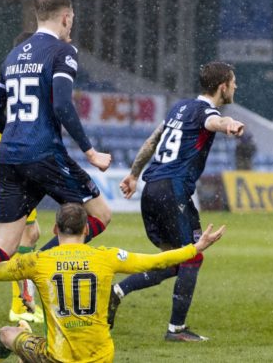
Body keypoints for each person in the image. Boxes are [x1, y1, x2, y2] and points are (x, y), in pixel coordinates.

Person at [0, 0, 112, 339]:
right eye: (72, 20)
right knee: (100, 216)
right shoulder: (64, 51)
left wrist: (17, 135)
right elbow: (62, 104)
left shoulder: (14, 54)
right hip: (45, 152)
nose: (71, 26)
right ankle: (42, 265)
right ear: (65, 17)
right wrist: (91, 152)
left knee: (4, 243)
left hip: (10, 156)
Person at [0, 203, 227, 362]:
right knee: (27, 332)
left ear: (55, 228)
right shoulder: (107, 257)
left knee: (9, 333)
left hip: (58, 358)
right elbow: (155, 260)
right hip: (101, 358)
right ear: (85, 230)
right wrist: (195, 248)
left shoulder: (38, 262)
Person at [108, 61, 245, 342]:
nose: (236, 86)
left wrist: (134, 175)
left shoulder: (179, 108)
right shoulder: (207, 112)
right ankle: (176, 330)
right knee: (193, 257)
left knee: (173, 262)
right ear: (223, 87)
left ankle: (116, 293)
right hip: (173, 191)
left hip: (152, 187)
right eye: (233, 82)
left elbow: (152, 140)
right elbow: (215, 122)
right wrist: (229, 123)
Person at [0, 31, 43, 324]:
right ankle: (21, 303)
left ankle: (21, 298)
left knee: (27, 234)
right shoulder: (22, 76)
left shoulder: (7, 74)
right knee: (22, 236)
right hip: (9, 161)